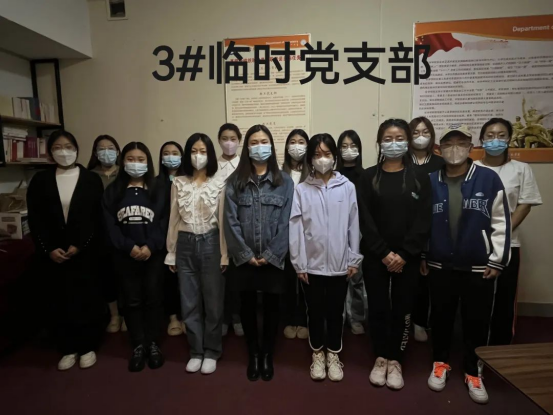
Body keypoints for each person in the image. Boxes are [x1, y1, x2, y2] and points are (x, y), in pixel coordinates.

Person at [423, 125, 511, 404]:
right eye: (449, 143)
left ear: (471, 147)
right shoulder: (430, 180)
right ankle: (440, 362)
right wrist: (424, 255)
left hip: (478, 265)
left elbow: (501, 221)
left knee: (477, 320)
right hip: (440, 264)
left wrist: (497, 259)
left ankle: (473, 371)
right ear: (439, 149)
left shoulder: (488, 179)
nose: (455, 149)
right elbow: (421, 223)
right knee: (441, 317)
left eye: (461, 143)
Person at [356, 119, 432, 390]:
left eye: (399, 138)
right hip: (376, 256)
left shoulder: (420, 177)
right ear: (379, 143)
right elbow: (364, 219)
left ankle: (396, 358)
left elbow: (424, 220)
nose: (393, 143)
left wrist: (405, 253)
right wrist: (383, 252)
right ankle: (380, 356)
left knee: (402, 308)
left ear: (407, 141)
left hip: (406, 259)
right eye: (387, 138)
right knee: (377, 307)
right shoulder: (367, 177)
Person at [27, 130, 105, 370]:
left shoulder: (91, 179)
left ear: (76, 149)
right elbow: (35, 219)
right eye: (57, 147)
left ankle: (88, 346)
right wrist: (49, 248)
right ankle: (68, 347)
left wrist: (80, 244)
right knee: (59, 299)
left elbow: (97, 217)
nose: (64, 151)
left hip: (84, 250)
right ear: (50, 152)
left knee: (86, 297)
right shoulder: (40, 180)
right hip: (54, 252)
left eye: (68, 146)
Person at [223, 124, 294, 382]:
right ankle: (253, 353)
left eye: (264, 142)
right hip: (245, 259)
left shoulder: (284, 181)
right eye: (254, 142)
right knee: (247, 307)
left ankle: (267, 354)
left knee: (273, 307)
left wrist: (272, 254)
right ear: (247, 147)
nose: (259, 146)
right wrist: (245, 254)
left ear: (272, 146)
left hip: (273, 258)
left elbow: (287, 221)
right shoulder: (235, 181)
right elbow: (230, 222)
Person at [290, 133, 362, 382]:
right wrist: (299, 263)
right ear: (310, 159)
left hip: (340, 266)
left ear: (335, 157)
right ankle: (317, 352)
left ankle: (333, 353)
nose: (322, 159)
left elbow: (353, 224)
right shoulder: (302, 190)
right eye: (317, 155)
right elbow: (296, 228)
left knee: (335, 311)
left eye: (327, 154)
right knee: (315, 311)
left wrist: (353, 259)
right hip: (311, 266)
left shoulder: (347, 187)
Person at [475, 118, 541, 345]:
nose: (495, 140)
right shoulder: (472, 168)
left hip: (508, 243)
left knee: (504, 296)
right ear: (481, 139)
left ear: (509, 139)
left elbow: (525, 203)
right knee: (477, 297)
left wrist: (502, 232)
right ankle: (475, 344)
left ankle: (500, 346)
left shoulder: (521, 169)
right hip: (476, 243)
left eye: (501, 135)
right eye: (490, 135)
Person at [165, 133, 227, 375]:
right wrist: (171, 252)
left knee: (213, 302)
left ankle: (211, 351)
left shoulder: (219, 182)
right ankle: (196, 351)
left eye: (203, 151)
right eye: (193, 151)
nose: (198, 156)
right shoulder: (178, 183)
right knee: (189, 302)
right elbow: (173, 219)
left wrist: (224, 254)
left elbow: (223, 221)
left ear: (210, 154)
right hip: (185, 243)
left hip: (211, 242)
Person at [102, 142, 166, 372]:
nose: (136, 164)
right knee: (131, 301)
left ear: (148, 162)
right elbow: (110, 225)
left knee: (153, 298)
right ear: (123, 162)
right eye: (131, 159)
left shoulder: (158, 189)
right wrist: (129, 247)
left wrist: (150, 246)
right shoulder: (113, 191)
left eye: (141, 159)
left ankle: (153, 343)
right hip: (125, 256)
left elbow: (165, 221)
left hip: (153, 255)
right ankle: (138, 344)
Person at [408, 117, 445, 342]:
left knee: (431, 279)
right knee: (411, 279)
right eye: (415, 132)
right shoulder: (402, 161)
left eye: (425, 132)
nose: (420, 136)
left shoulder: (440, 163)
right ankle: (411, 320)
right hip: (407, 228)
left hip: (435, 226)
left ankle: (424, 321)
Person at [87, 134, 125, 334]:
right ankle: (114, 315)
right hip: (100, 233)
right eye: (101, 149)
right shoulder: (89, 176)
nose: (106, 152)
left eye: (110, 148)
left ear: (118, 151)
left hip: (125, 231)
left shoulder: (125, 173)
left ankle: (127, 314)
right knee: (107, 275)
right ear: (95, 153)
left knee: (126, 275)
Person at [215, 123, 244, 338]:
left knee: (238, 278)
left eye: (233, 138)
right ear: (219, 140)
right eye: (225, 138)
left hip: (239, 227)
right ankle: (224, 317)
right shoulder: (212, 166)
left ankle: (237, 316)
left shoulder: (245, 165)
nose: (229, 143)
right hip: (216, 227)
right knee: (220, 278)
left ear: (239, 141)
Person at [337, 130, 366, 336]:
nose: (349, 150)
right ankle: (338, 315)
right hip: (336, 232)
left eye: (353, 146)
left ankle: (356, 317)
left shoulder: (366, 176)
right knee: (337, 278)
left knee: (356, 277)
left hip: (359, 232)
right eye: (344, 146)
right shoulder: (333, 175)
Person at [154, 141, 185, 337]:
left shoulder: (189, 180)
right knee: (168, 280)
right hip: (162, 238)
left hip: (186, 236)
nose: (171, 157)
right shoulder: (155, 183)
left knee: (188, 280)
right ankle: (173, 317)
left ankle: (186, 316)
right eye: (166, 153)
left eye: (175, 153)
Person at [282, 129, 310, 340]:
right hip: (284, 233)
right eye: (293, 141)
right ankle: (289, 319)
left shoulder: (313, 172)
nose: (297, 146)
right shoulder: (279, 172)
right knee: (288, 279)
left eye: (301, 142)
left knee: (306, 279)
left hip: (307, 233)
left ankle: (304, 320)